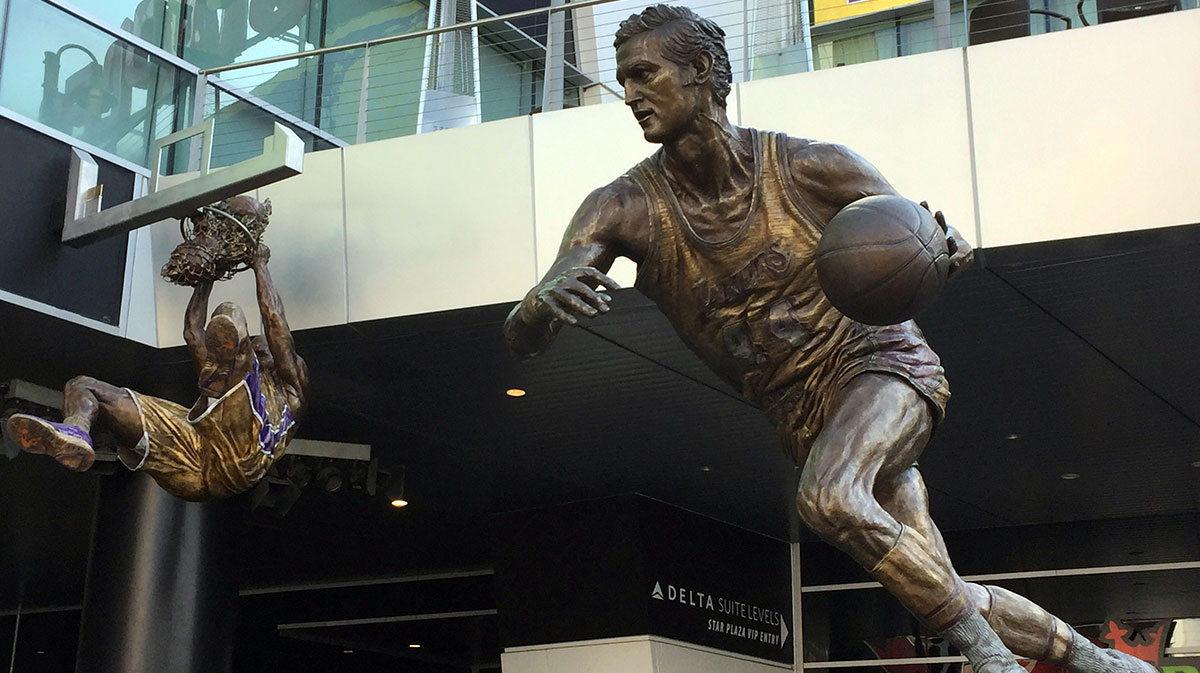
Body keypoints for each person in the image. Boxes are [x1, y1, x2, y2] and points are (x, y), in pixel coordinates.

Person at [502, 6, 1152, 673]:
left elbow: (919, 237)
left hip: (880, 363)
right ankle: (1101, 662)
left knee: (831, 498)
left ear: (700, 72)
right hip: (802, 415)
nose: (630, 95)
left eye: (644, 74)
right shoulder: (623, 208)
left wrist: (946, 248)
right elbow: (529, 324)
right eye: (623, 79)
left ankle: (993, 661)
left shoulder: (809, 166)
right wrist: (538, 307)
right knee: (937, 583)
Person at [7, 197, 308, 501]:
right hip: (191, 457)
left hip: (235, 465)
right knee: (83, 387)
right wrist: (207, 277)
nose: (263, 348)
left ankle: (229, 354)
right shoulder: (231, 378)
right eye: (257, 348)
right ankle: (75, 433)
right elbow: (192, 330)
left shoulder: (291, 392)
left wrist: (260, 266)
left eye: (263, 349)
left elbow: (275, 322)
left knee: (231, 314)